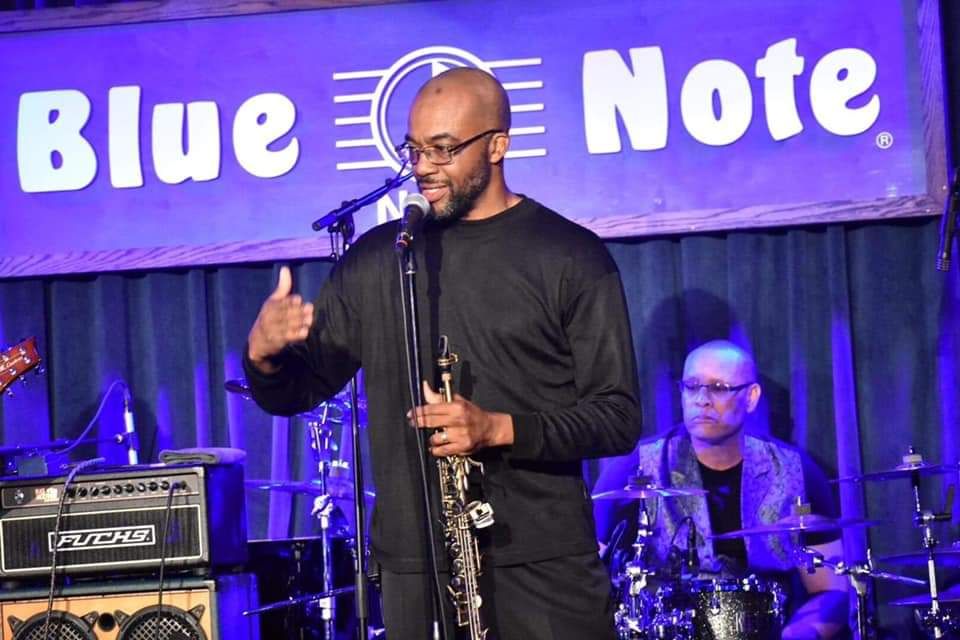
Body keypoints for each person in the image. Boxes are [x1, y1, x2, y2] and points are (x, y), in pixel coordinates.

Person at [243, 67, 642, 639]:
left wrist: (500, 428)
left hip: (543, 566)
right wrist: (263, 357)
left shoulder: (570, 256)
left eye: (443, 149)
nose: (423, 167)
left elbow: (617, 417)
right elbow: (297, 390)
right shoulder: (379, 259)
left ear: (497, 146)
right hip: (417, 568)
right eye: (414, 149)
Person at [595, 340, 848, 639]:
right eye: (692, 386)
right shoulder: (635, 469)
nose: (702, 399)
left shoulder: (796, 471)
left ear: (751, 397)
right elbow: (585, 572)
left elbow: (831, 591)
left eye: (718, 387)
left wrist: (801, 633)